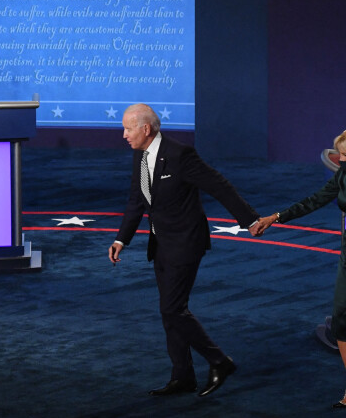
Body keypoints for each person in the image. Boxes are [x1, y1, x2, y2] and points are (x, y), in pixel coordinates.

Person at [109, 104, 260, 397]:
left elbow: (219, 186)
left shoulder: (180, 155)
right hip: (161, 243)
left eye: (128, 128)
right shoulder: (140, 155)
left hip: (185, 242)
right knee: (170, 312)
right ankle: (183, 376)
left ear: (146, 129)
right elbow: (136, 201)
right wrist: (121, 240)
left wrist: (249, 220)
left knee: (172, 308)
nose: (123, 134)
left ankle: (219, 361)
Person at [255, 127, 346, 409]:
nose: (339, 160)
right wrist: (276, 217)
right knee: (342, 322)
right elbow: (314, 201)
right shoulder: (344, 176)